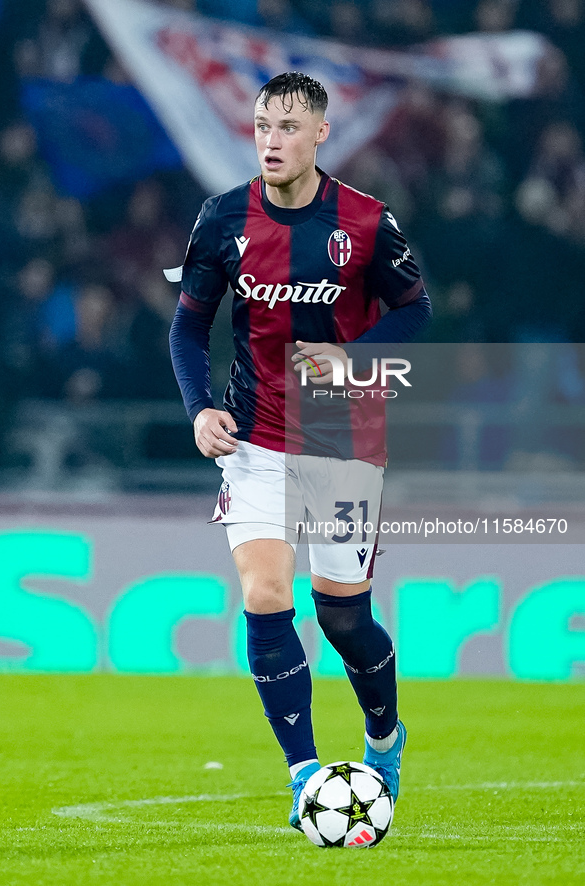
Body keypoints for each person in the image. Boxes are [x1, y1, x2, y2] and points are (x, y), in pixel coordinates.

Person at [168, 72, 432, 831]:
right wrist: (199, 409)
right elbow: (188, 328)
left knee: (343, 618)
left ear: (321, 133)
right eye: (260, 126)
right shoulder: (222, 219)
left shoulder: (366, 222)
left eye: (286, 127)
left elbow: (415, 310)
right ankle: (306, 774)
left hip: (344, 442)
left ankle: (383, 736)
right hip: (252, 440)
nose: (271, 140)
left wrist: (357, 357)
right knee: (263, 594)